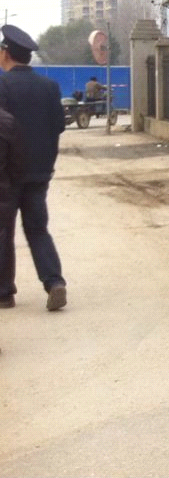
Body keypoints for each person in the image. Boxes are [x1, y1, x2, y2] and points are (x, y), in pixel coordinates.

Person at [0, 24, 68, 311]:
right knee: (38, 229)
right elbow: (59, 125)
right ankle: (54, 282)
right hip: (39, 173)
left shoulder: (2, 85)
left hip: (6, 173)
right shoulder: (49, 87)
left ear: (5, 54)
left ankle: (4, 293)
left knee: (3, 231)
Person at [0, 100, 25, 315]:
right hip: (3, 188)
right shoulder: (8, 121)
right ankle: (4, 293)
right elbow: (17, 161)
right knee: (4, 239)